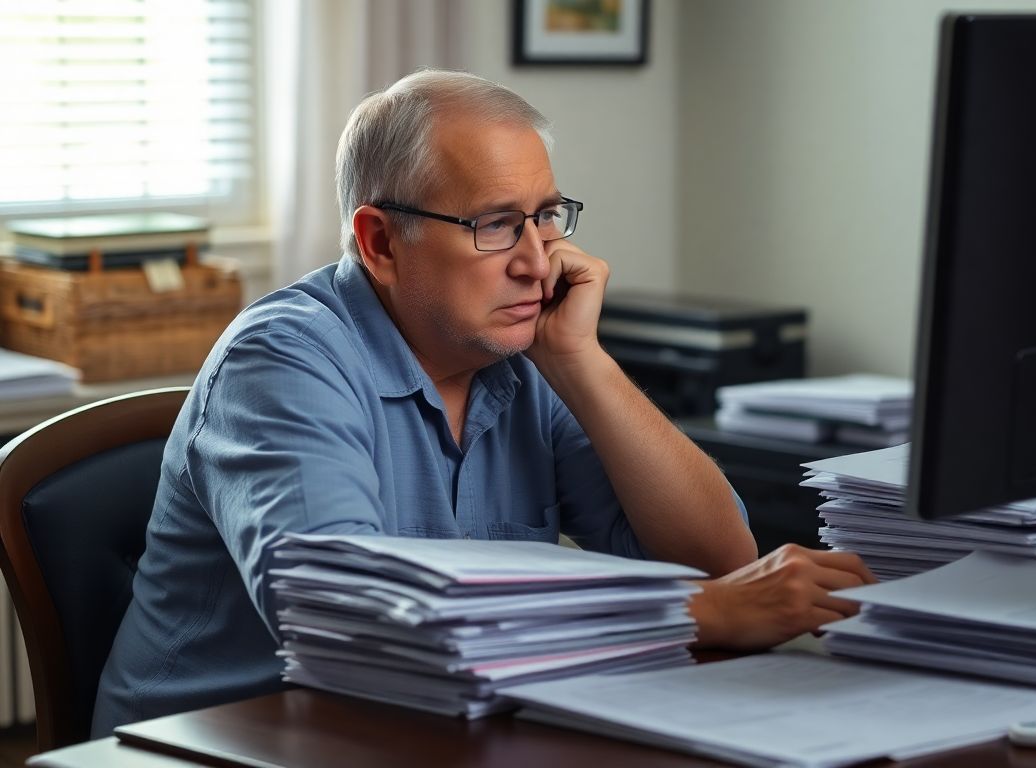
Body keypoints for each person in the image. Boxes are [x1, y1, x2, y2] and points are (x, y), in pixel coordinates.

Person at [92, 70, 875, 736]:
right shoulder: (283, 359)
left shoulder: (522, 355)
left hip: (429, 732)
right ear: (380, 243)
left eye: (546, 216)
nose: (539, 263)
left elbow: (724, 564)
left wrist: (582, 361)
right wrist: (693, 613)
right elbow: (345, 624)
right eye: (496, 225)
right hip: (231, 744)